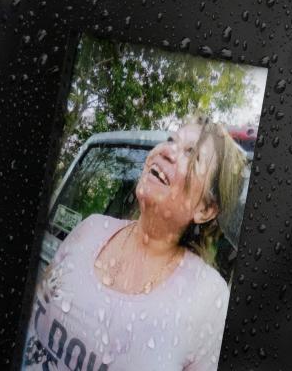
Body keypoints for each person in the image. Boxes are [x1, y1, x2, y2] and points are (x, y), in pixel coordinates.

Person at [23, 117, 247, 371]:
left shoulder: (209, 298)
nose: (167, 151)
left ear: (205, 210)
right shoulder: (91, 228)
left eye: (192, 155)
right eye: (171, 140)